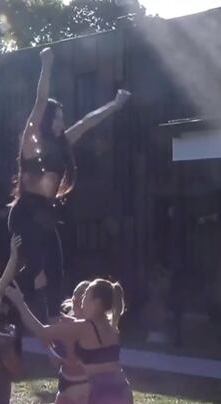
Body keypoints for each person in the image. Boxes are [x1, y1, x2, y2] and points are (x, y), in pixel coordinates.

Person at [8, 46, 131, 324]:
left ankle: (54, 321)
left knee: (55, 268)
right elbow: (41, 101)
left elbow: (87, 123)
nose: (63, 123)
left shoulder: (62, 143)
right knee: (35, 269)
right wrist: (47, 64)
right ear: (48, 120)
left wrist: (114, 105)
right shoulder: (30, 141)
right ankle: (8, 309)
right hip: (26, 212)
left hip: (45, 213)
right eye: (59, 118)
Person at [5, 279, 133, 404]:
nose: (81, 301)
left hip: (106, 396)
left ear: (96, 303)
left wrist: (19, 302)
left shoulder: (85, 328)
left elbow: (42, 332)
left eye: (86, 295)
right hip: (122, 394)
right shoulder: (110, 326)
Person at [49, 280, 91, 404]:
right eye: (74, 297)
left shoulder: (92, 328)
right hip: (65, 384)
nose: (75, 302)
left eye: (80, 299)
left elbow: (73, 362)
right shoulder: (67, 321)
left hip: (84, 389)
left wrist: (66, 343)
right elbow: (56, 357)